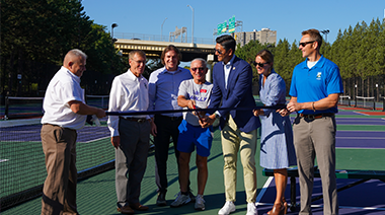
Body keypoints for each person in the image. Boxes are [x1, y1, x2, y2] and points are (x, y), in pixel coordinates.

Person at [281, 29, 343, 215]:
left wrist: (303, 104)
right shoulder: (298, 69)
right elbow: (294, 98)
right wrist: (289, 107)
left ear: (314, 45)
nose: (299, 47)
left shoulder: (330, 68)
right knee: (304, 173)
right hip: (300, 124)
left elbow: (332, 100)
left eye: (303, 44)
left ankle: (330, 213)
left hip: (323, 123)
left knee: (326, 173)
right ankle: (304, 212)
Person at [199, 35, 260, 215]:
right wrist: (208, 113)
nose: (216, 53)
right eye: (215, 49)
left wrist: (215, 115)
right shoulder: (217, 68)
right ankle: (230, 201)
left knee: (247, 162)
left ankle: (251, 203)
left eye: (219, 51)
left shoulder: (244, 67)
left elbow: (237, 96)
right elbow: (217, 94)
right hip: (227, 122)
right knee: (228, 162)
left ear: (230, 51)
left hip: (246, 121)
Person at [40, 49, 106, 215]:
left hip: (67, 134)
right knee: (56, 181)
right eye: (81, 66)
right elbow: (76, 107)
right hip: (58, 134)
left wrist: (89, 115)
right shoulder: (67, 80)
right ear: (70, 64)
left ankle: (69, 212)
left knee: (69, 177)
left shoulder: (71, 79)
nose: (84, 69)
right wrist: (96, 111)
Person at [107, 50, 155, 214]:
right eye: (138, 62)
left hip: (143, 127)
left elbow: (146, 105)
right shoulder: (120, 80)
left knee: (140, 165)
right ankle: (122, 203)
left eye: (143, 62)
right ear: (130, 62)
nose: (141, 65)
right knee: (124, 166)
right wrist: (114, 131)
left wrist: (149, 120)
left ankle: (134, 201)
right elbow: (113, 108)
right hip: (126, 126)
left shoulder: (145, 82)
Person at [148, 45, 193, 206]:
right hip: (161, 121)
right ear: (163, 59)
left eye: (173, 57)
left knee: (183, 157)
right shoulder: (155, 75)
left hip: (182, 121)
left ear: (178, 58)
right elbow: (150, 100)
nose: (171, 59)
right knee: (161, 158)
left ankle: (185, 190)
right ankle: (162, 192)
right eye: (168, 57)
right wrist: (152, 121)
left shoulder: (187, 74)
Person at [252, 49, 296, 215]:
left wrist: (259, 111)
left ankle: (278, 204)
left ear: (270, 64)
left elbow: (270, 103)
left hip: (278, 125)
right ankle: (282, 201)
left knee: (280, 165)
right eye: (256, 64)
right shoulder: (261, 78)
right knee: (275, 165)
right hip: (268, 125)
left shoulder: (276, 79)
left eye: (261, 64)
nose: (258, 66)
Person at [170, 58, 214, 211]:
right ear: (190, 70)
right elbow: (180, 100)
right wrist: (189, 103)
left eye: (201, 69)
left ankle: (200, 197)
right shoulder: (185, 84)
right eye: (194, 69)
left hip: (204, 129)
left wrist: (205, 115)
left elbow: (213, 106)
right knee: (183, 160)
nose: (197, 71)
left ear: (206, 70)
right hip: (186, 127)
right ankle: (184, 193)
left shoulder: (212, 87)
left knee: (201, 163)